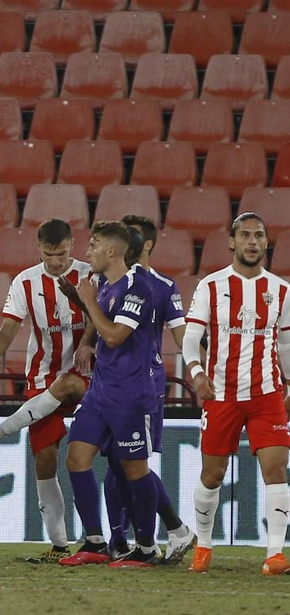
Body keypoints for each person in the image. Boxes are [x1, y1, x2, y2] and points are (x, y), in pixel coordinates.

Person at [0, 219, 92, 563]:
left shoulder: (89, 275)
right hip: (42, 381)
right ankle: (61, 545)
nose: (55, 262)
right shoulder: (25, 282)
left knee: (109, 454)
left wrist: (89, 341)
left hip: (90, 376)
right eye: (49, 255)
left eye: (61, 254)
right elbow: (8, 329)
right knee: (44, 459)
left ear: (72, 245)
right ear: (38, 249)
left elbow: (102, 317)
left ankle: (0, 431)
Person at [180, 213, 290, 576]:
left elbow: (286, 344)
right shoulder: (210, 287)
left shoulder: (282, 290)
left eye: (259, 235)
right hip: (221, 394)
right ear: (232, 241)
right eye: (245, 235)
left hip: (267, 394)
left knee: (275, 469)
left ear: (266, 242)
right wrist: (196, 373)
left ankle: (275, 554)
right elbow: (193, 338)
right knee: (212, 474)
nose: (252, 241)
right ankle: (205, 544)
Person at [56, 221, 166, 568]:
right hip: (101, 393)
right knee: (76, 458)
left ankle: (147, 547)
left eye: (93, 244)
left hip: (131, 396)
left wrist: (86, 301)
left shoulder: (138, 288)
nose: (87, 251)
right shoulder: (104, 285)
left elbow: (116, 335)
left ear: (112, 251)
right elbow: (100, 326)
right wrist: (87, 340)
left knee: (135, 470)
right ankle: (95, 542)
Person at [112, 214, 193, 563]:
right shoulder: (110, 279)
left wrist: (202, 369)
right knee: (116, 463)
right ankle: (125, 539)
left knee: (132, 462)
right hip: (109, 382)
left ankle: (168, 531)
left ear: (144, 245)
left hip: (144, 384)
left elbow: (181, 335)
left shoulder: (163, 286)